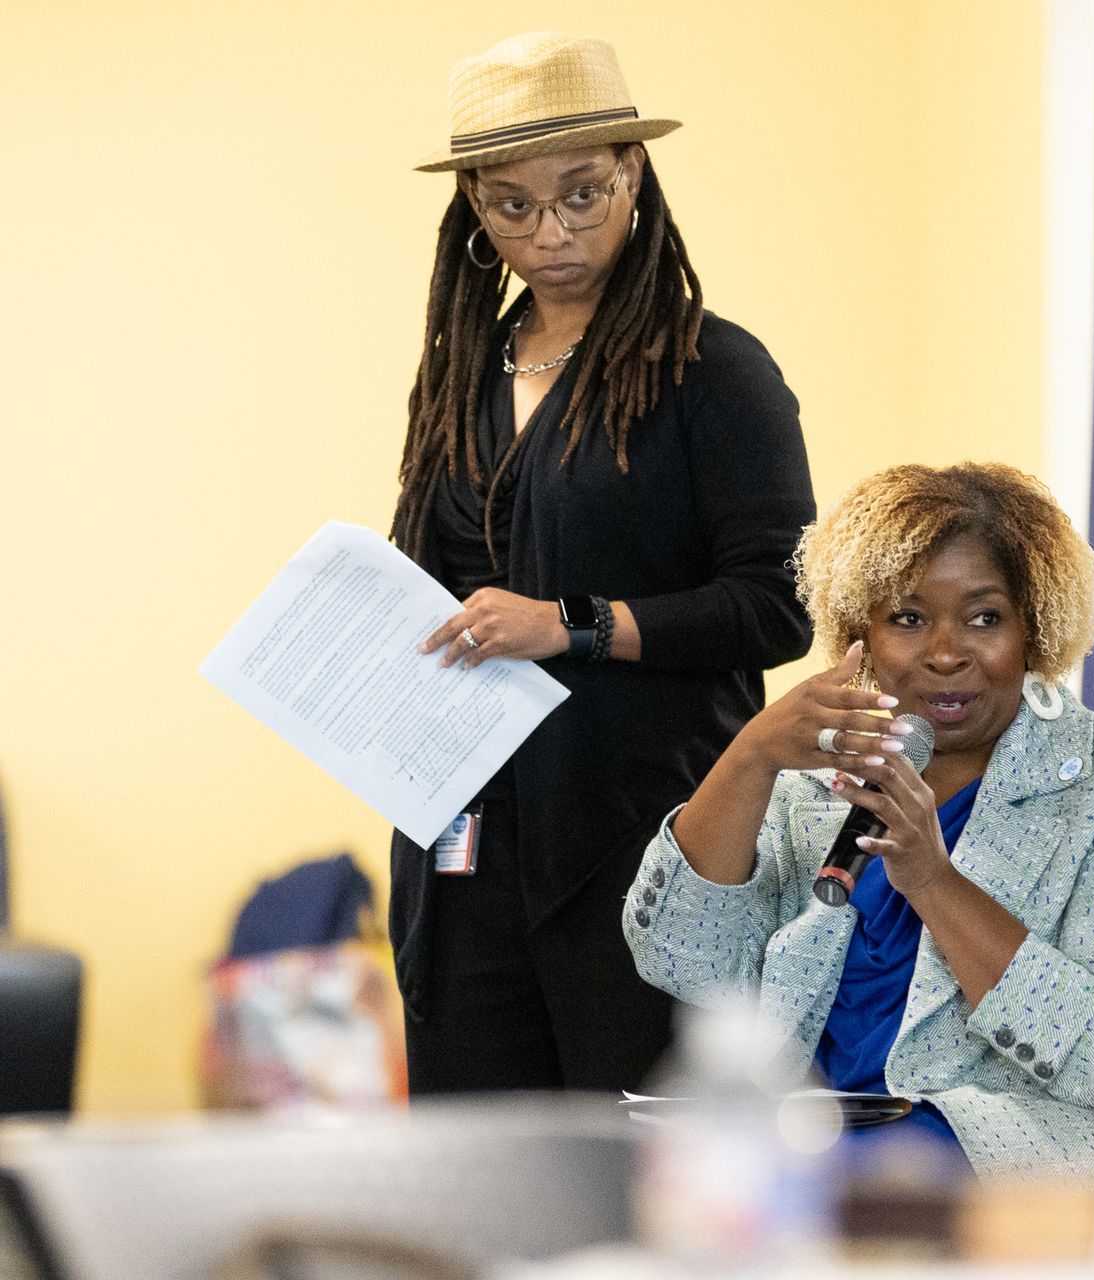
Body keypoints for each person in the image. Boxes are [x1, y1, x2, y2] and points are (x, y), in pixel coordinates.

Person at [389, 33, 814, 1093]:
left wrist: (573, 622)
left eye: (582, 193)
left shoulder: (712, 369)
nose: (553, 231)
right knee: (481, 1181)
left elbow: (779, 606)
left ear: (633, 170)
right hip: (469, 842)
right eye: (513, 205)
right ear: (474, 212)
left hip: (647, 846)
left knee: (636, 1180)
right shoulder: (465, 375)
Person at [625, 463, 1094, 1181]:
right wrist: (750, 757)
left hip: (1023, 1144)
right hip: (809, 1134)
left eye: (984, 617)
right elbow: (682, 960)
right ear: (861, 635)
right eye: (908, 619)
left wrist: (933, 881)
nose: (946, 653)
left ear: (1035, 628)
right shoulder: (818, 781)